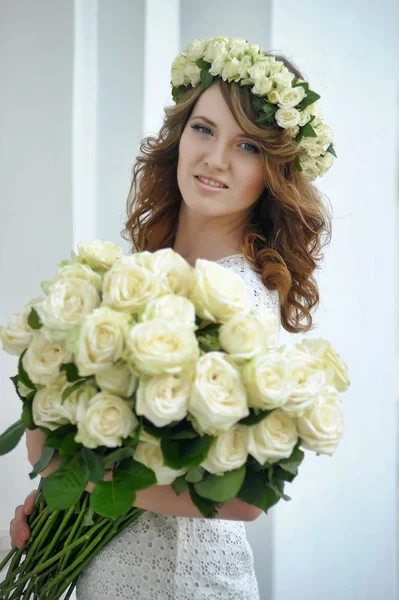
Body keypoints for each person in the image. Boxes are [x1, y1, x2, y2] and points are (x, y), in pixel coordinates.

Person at [9, 35, 333, 599]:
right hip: (103, 577)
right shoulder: (133, 275)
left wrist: (82, 481)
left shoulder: (238, 298)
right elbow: (81, 451)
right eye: (204, 129)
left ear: (273, 172)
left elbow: (245, 498)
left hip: (184, 582)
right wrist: (54, 505)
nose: (216, 158)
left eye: (249, 147)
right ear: (180, 137)